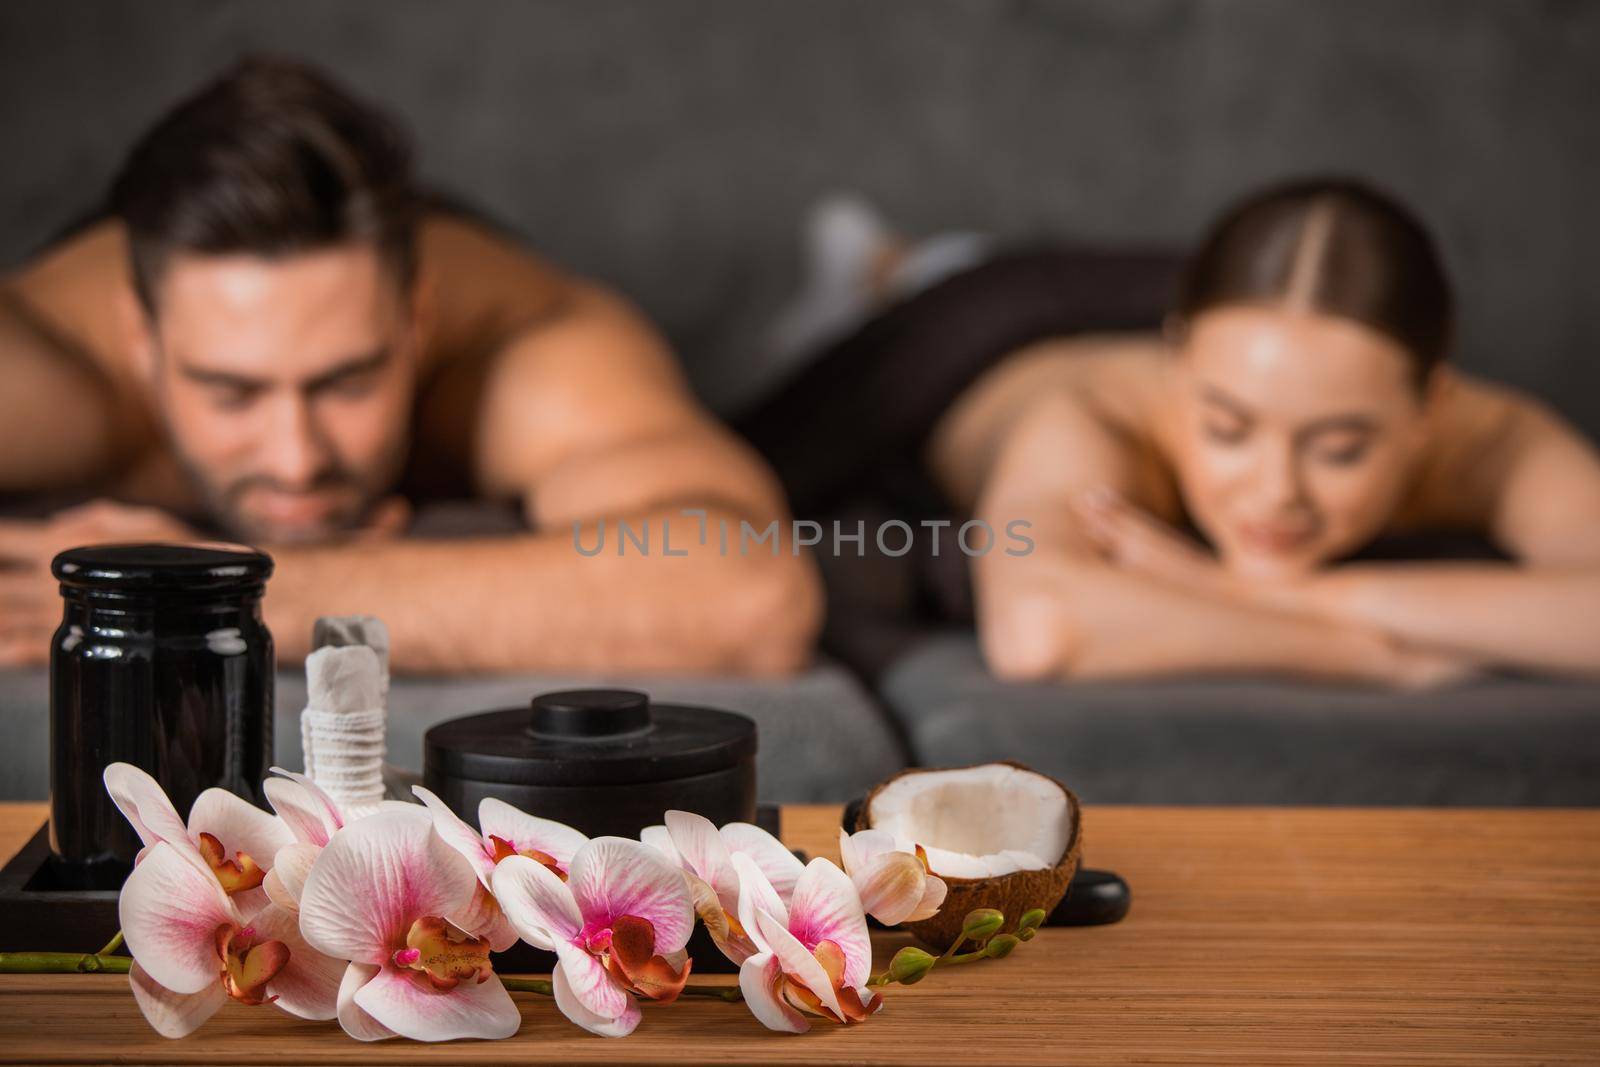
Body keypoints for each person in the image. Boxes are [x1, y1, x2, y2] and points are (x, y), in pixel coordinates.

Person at [0, 57, 819, 673]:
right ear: (142, 342)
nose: (296, 456)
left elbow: (752, 595)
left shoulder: (526, 350)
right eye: (230, 393)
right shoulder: (50, 373)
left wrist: (241, 595)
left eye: (347, 381)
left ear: (416, 321)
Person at [740, 179, 1600, 687]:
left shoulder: (1489, 434)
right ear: (1179, 363)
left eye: (1340, 448)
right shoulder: (1090, 421)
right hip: (983, 346)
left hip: (1206, 318)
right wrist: (1371, 656)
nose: (1275, 491)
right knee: (915, 320)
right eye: (1227, 430)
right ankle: (886, 276)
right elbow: (1040, 630)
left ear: (1430, 406)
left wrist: (1277, 593)